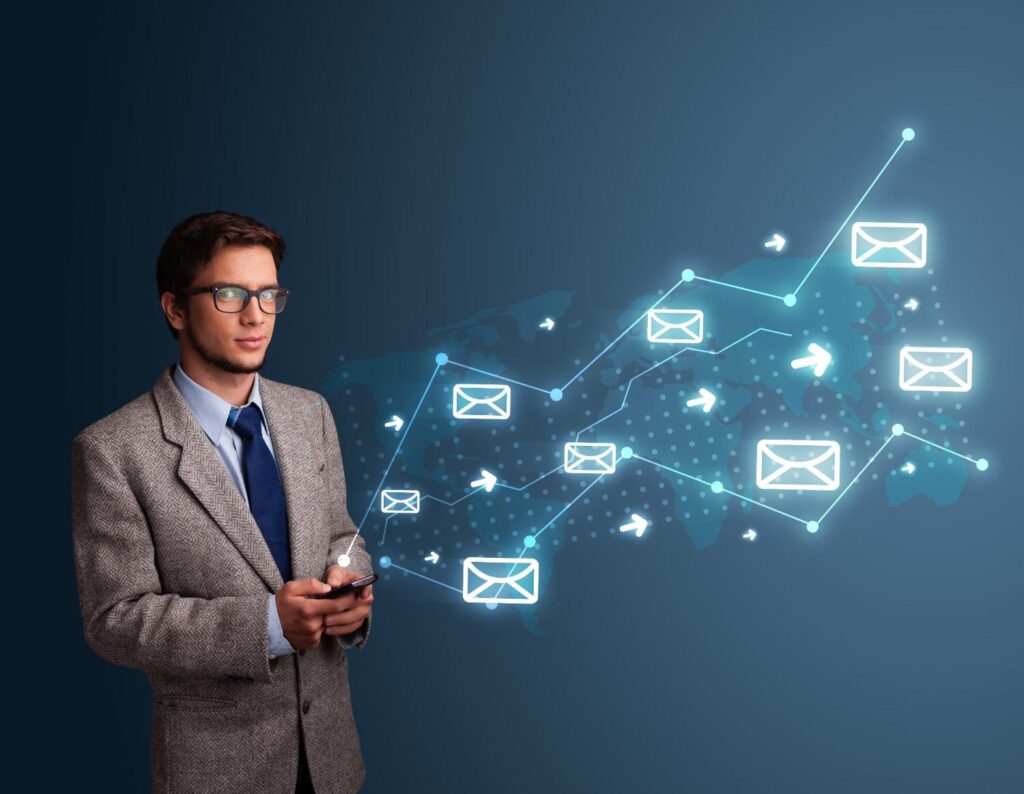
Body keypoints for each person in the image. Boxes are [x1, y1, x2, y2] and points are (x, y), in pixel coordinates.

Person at [71, 211, 374, 793]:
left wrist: (350, 589)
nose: (255, 314)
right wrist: (266, 625)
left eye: (268, 295)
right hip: (217, 772)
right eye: (229, 294)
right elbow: (113, 619)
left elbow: (341, 533)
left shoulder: (311, 413)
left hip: (332, 761)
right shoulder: (112, 449)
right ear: (176, 309)